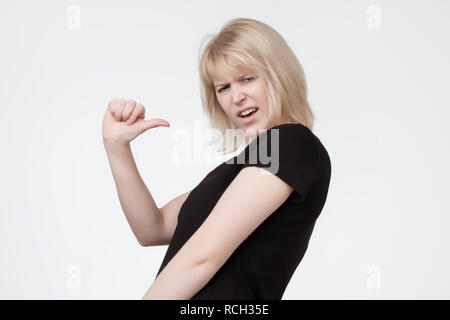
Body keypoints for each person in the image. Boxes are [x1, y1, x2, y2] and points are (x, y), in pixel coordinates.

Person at [102, 17, 331, 300]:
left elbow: (203, 256)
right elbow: (153, 228)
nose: (236, 97)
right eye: (223, 87)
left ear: (279, 74)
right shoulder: (241, 168)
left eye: (247, 78)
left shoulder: (291, 144)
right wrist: (116, 147)